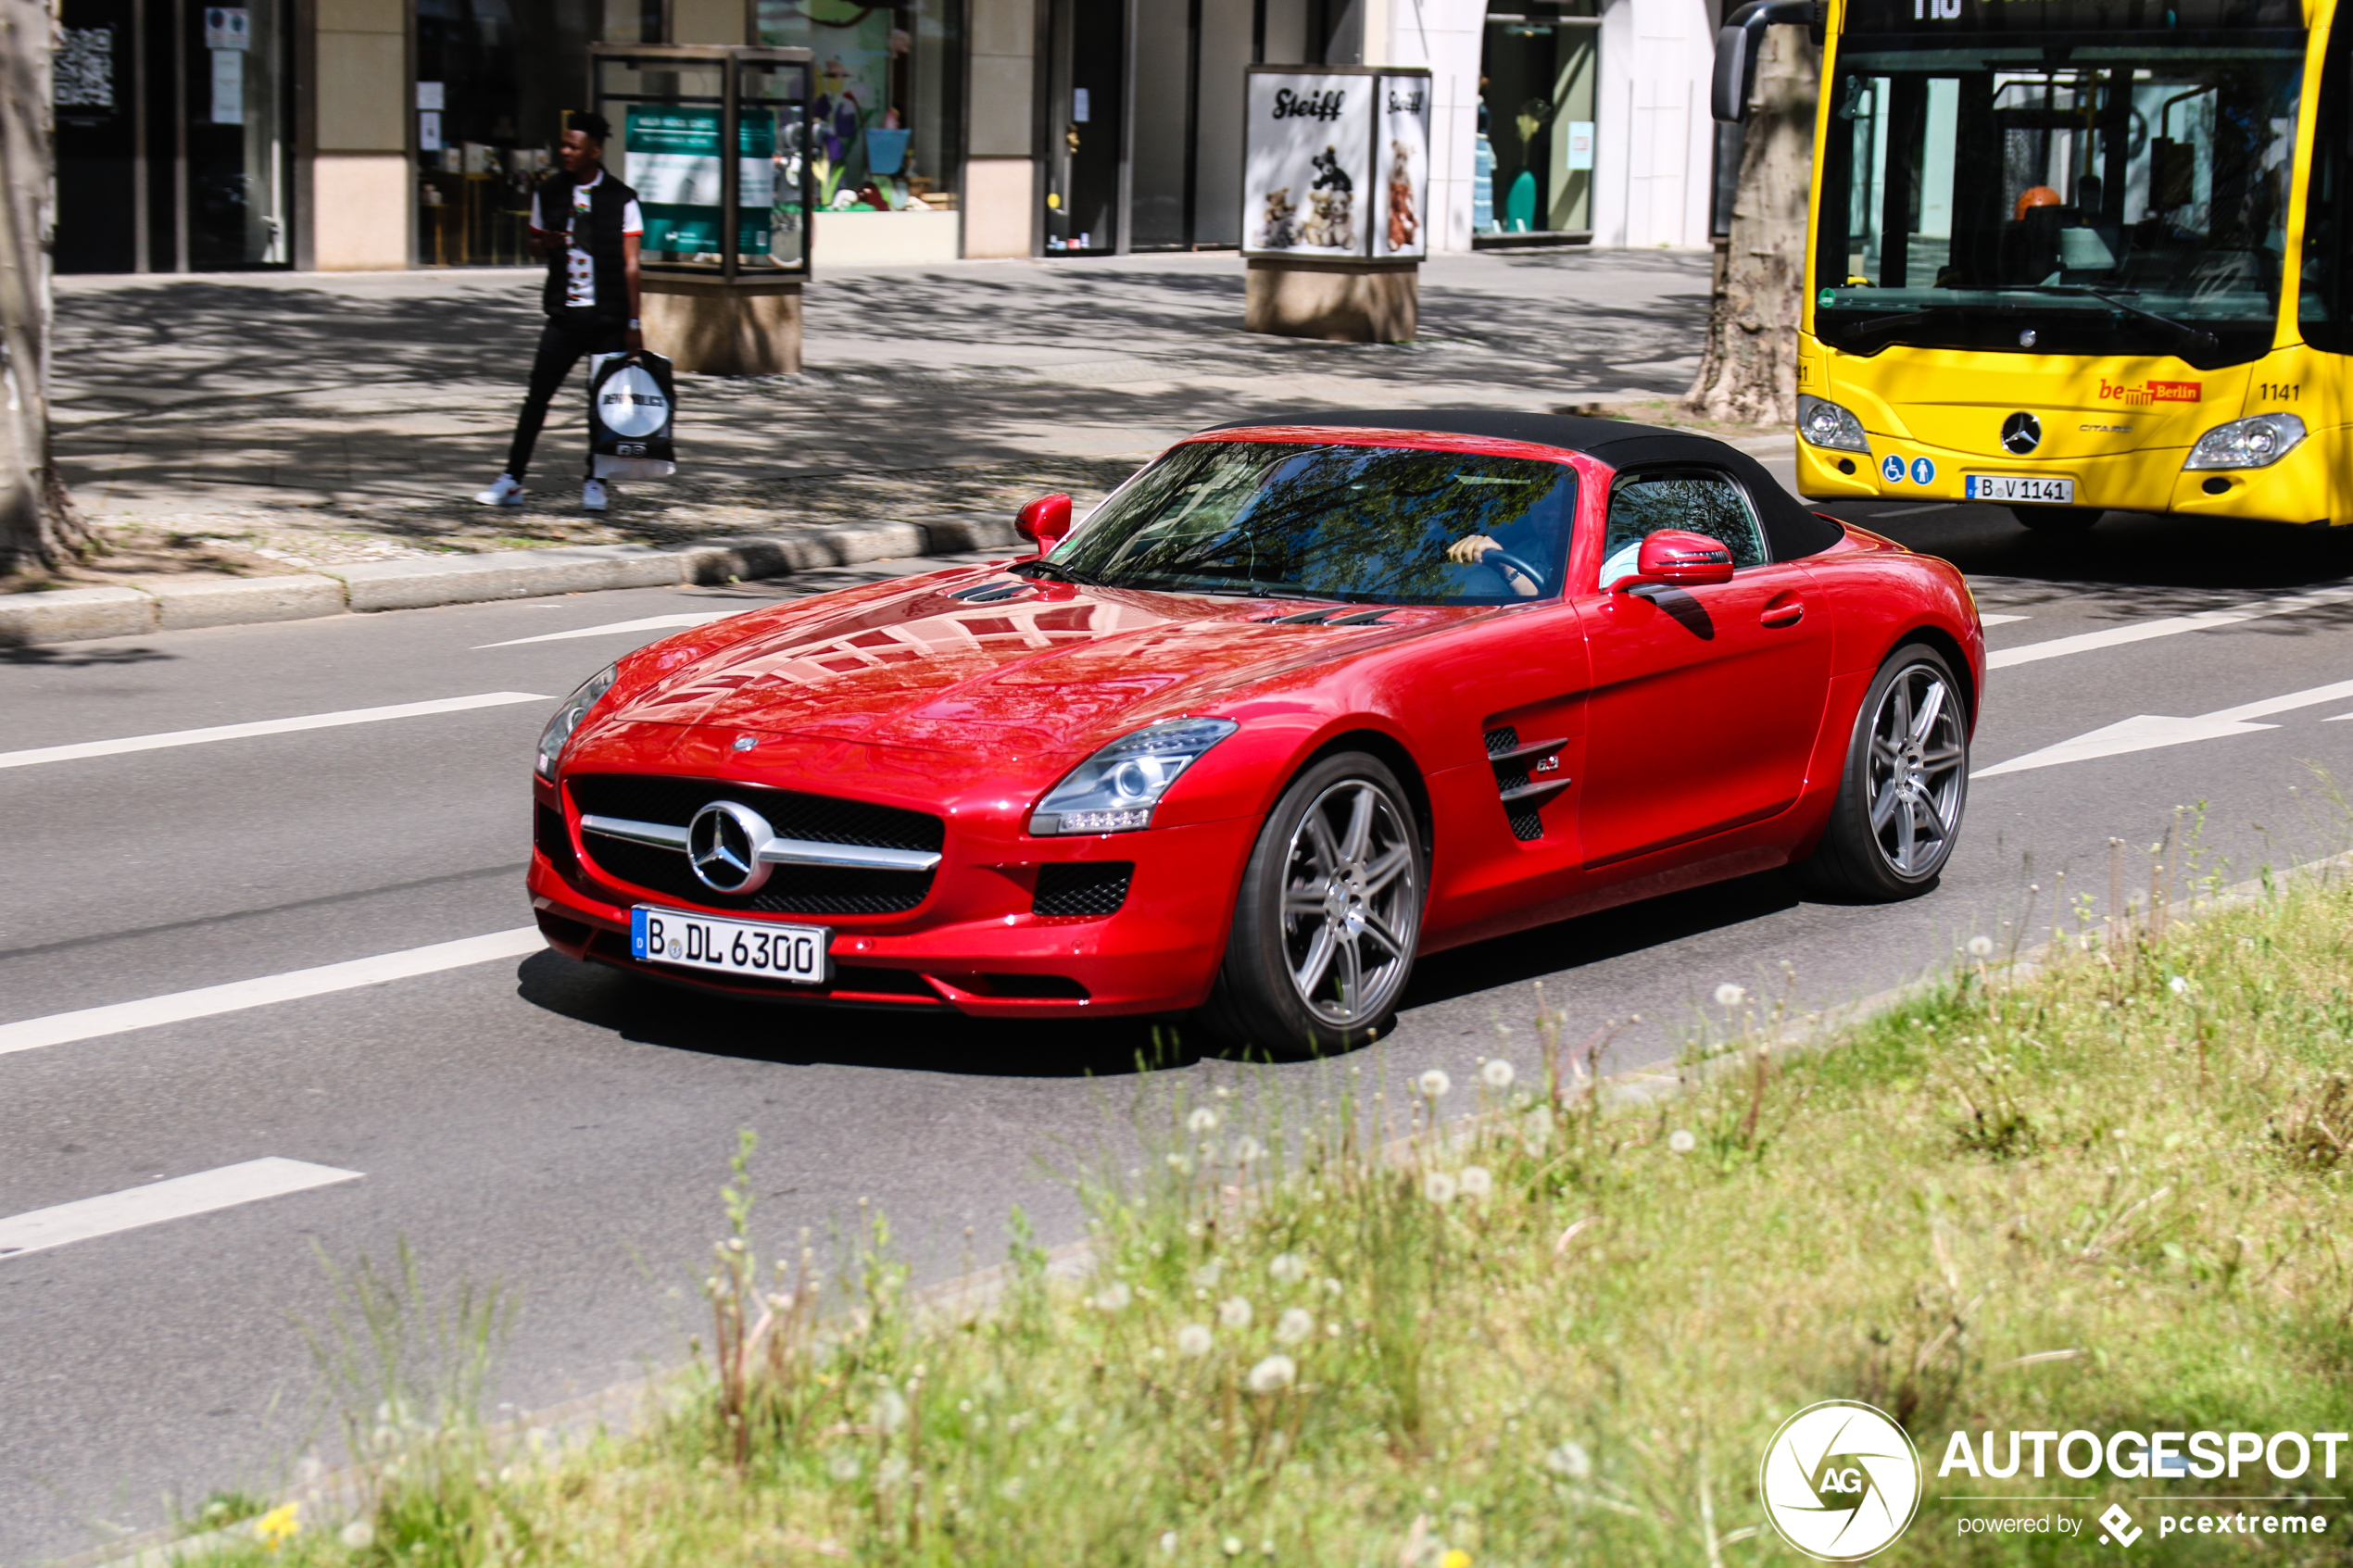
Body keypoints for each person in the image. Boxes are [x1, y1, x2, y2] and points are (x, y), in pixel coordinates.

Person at [473, 112, 646, 513]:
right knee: (537, 397)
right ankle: (512, 479)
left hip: (608, 317)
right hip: (565, 315)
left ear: (595, 151)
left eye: (573, 146)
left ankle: (595, 481)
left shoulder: (622, 198)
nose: (564, 152)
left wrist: (635, 324)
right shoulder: (549, 191)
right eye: (563, 145)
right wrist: (546, 245)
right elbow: (533, 245)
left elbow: (631, 265)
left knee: (601, 403)